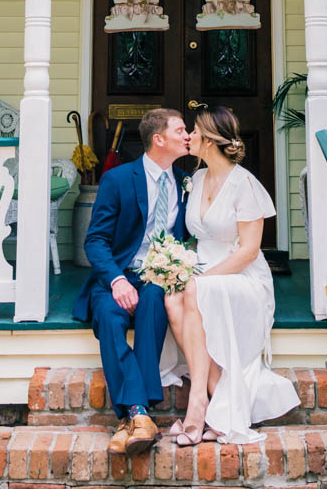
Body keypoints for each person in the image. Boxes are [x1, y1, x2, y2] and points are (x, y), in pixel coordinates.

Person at [163, 106, 299, 444]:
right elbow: (194, 236)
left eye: (194, 131)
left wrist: (203, 277)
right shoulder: (194, 180)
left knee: (193, 292)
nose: (189, 136)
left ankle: (198, 406)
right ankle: (217, 394)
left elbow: (249, 251)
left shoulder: (245, 185)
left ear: (208, 141)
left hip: (242, 276)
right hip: (201, 268)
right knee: (171, 298)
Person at [72, 107, 190, 457]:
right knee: (109, 318)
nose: (188, 135)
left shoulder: (185, 180)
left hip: (159, 275)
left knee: (155, 302)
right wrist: (117, 280)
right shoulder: (119, 179)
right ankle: (139, 413)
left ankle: (133, 418)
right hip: (120, 274)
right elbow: (95, 240)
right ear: (159, 139)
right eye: (181, 130)